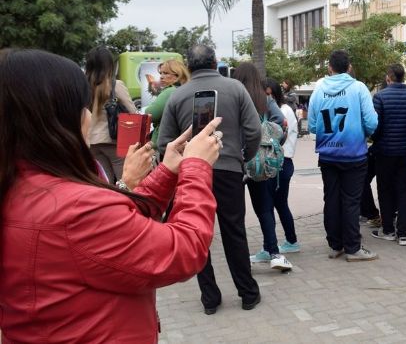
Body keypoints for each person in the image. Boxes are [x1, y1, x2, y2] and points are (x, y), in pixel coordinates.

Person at [0, 49, 221, 342]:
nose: (89, 116)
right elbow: (184, 249)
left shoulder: (21, 188)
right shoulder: (72, 208)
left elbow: (117, 232)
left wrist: (167, 173)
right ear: (61, 119)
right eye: (83, 106)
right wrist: (196, 167)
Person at [158, 45, 264, 314]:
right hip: (228, 169)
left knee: (197, 234)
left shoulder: (176, 96)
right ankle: (248, 293)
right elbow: (253, 131)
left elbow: (164, 143)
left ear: (189, 67)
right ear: (216, 62)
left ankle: (210, 298)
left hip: (191, 173)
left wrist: (183, 164)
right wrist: (241, 158)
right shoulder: (236, 89)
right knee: (234, 232)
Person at [308, 50, 379, 262]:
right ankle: (353, 248)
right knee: (351, 202)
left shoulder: (318, 90)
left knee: (331, 199)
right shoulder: (358, 88)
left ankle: (335, 244)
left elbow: (312, 125)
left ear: (330, 68)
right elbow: (372, 122)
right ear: (349, 67)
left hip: (328, 155)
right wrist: (361, 133)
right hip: (354, 155)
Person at [233, 63, 291, 272]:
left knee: (235, 213)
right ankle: (274, 253)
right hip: (260, 161)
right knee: (265, 209)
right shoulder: (265, 100)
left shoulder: (234, 98)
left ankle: (239, 258)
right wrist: (271, 144)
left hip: (234, 163)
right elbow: (281, 125)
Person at [370, 64, 406, 246]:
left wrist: (373, 139)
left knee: (384, 191)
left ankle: (388, 230)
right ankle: (403, 234)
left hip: (384, 152)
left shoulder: (380, 97)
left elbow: (375, 127)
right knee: (403, 191)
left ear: (388, 77)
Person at [85, 46, 136, 183]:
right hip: (113, 141)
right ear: (109, 65)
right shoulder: (115, 85)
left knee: (105, 181)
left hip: (91, 142)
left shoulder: (83, 85)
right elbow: (132, 112)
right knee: (124, 181)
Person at [262, 77, 301, 254]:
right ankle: (290, 241)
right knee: (278, 204)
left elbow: (274, 137)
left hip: (281, 162)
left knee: (272, 204)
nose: (265, 97)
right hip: (282, 162)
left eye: (267, 93)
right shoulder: (281, 109)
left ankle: (275, 246)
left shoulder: (282, 110)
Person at [146, 59, 190, 152]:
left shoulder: (170, 91)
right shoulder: (186, 89)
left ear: (178, 75)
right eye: (161, 73)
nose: (161, 77)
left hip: (164, 145)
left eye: (166, 73)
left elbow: (151, 114)